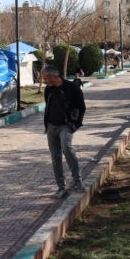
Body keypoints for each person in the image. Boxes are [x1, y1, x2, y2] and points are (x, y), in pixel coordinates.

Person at [41, 65, 86, 198]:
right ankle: (61, 187)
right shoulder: (48, 89)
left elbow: (81, 107)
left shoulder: (72, 88)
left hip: (66, 125)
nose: (44, 81)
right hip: (51, 126)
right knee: (55, 157)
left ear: (53, 77)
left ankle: (78, 181)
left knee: (67, 147)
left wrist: (75, 124)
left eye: (45, 78)